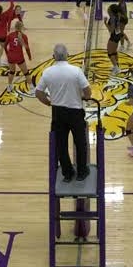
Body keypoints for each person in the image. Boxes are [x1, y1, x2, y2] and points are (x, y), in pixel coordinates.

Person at [34, 43, 93, 183]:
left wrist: (48, 102)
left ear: (53, 56)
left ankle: (67, 173)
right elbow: (88, 91)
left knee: (61, 144)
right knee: (80, 143)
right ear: (67, 55)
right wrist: (84, 97)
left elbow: (38, 93)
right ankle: (82, 172)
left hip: (58, 112)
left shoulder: (48, 72)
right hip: (75, 112)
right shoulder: (76, 71)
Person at [3, 20, 32, 91]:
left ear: (15, 27)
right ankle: (32, 88)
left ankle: (9, 86)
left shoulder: (10, 35)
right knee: (26, 73)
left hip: (11, 56)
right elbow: (27, 48)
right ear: (21, 27)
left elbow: (5, 45)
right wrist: (29, 56)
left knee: (11, 72)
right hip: (19, 56)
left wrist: (7, 54)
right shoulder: (24, 36)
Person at [105, 3, 126, 76]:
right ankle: (116, 66)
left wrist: (105, 23)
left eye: (108, 9)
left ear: (111, 11)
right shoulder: (118, 16)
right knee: (114, 52)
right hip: (118, 35)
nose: (107, 9)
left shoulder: (112, 19)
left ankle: (116, 68)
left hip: (114, 36)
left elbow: (111, 30)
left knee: (110, 53)